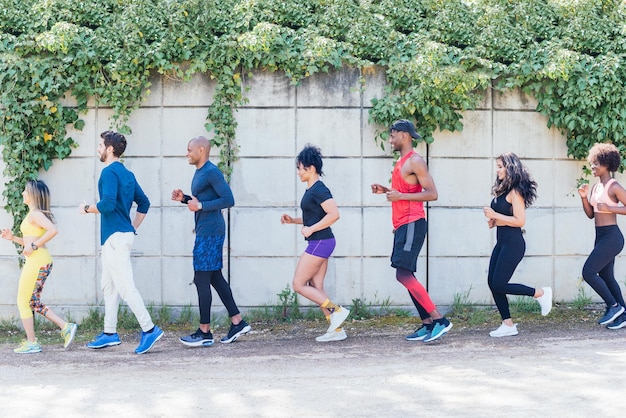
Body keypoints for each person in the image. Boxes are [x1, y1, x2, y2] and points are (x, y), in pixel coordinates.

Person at [80, 131, 163, 354]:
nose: (98, 148)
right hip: (118, 236)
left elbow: (106, 204)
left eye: (100, 145)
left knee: (125, 286)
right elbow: (144, 203)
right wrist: (133, 227)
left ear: (110, 149)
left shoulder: (108, 172)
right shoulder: (127, 173)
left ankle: (150, 329)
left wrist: (87, 209)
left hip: (115, 238)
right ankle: (109, 333)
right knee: (109, 286)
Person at [371, 119, 452, 343]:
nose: (390, 139)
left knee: (403, 274)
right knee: (406, 274)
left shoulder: (415, 161)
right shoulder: (401, 162)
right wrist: (387, 190)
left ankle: (439, 321)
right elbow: (406, 191)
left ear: (404, 135)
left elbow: (432, 194)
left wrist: (400, 196)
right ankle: (427, 324)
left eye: (392, 134)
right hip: (402, 225)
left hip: (412, 222)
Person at [172, 136, 251, 346]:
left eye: (189, 150)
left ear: (200, 150)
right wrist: (186, 199)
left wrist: (199, 207)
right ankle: (238, 322)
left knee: (201, 279)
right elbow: (202, 201)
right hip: (206, 230)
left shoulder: (211, 171)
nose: (186, 153)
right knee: (215, 277)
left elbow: (228, 199)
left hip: (210, 232)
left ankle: (204, 332)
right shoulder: (201, 172)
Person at [281, 144, 349, 342]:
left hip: (320, 241)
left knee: (298, 284)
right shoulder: (312, 190)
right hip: (322, 241)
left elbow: (334, 214)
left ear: (310, 168)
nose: (298, 172)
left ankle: (336, 311)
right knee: (316, 284)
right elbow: (314, 217)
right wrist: (294, 220)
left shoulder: (319, 189)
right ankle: (336, 331)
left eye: (300, 168)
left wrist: (310, 230)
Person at [1, 180, 77, 353]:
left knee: (24, 301)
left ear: (33, 194)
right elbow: (29, 242)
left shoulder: (35, 214)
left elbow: (53, 230)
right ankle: (63, 327)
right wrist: (13, 238)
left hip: (38, 260)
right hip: (36, 259)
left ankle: (34, 342)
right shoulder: (32, 214)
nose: (22, 193)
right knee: (31, 302)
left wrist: (33, 246)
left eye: (25, 191)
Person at [483, 152, 552, 337]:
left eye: (500, 167)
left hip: (514, 244)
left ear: (510, 168)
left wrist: (495, 216)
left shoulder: (515, 192)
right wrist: (494, 222)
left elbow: (520, 221)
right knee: (492, 282)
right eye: (497, 166)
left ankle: (540, 293)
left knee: (499, 283)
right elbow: (506, 218)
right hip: (502, 242)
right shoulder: (502, 190)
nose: (497, 170)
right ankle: (508, 325)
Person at [578, 143, 626, 329]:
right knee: (606, 276)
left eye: (596, 163)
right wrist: (583, 197)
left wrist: (611, 208)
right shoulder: (596, 187)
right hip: (600, 236)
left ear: (607, 164)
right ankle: (623, 313)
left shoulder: (613, 186)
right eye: (592, 163)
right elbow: (591, 214)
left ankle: (613, 306)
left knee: (588, 271)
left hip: (612, 237)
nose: (593, 167)